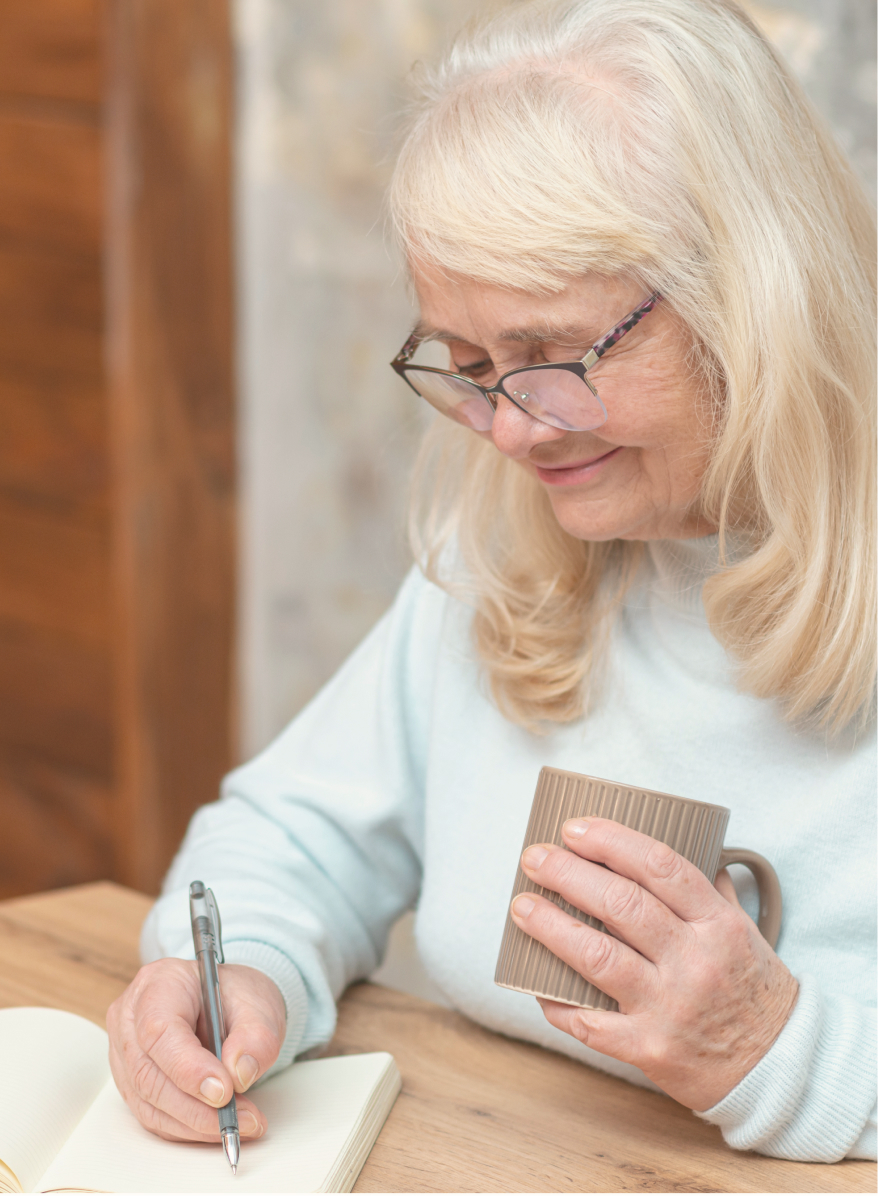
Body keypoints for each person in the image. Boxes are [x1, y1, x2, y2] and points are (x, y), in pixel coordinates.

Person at [106, 0, 876, 1164]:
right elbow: (297, 834)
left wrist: (788, 1050)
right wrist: (236, 969)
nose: (509, 432)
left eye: (549, 357)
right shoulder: (509, 547)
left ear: (747, 289)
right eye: (467, 366)